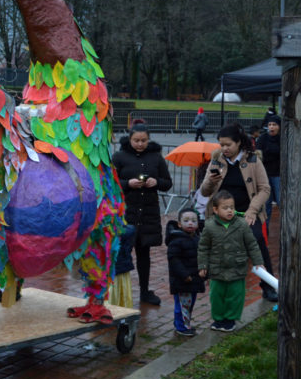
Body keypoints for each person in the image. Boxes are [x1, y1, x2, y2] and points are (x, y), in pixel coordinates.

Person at [200, 123, 278, 302]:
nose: (224, 148)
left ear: (239, 143)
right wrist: (211, 181)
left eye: (228, 144)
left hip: (246, 212)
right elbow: (204, 191)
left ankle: (268, 286)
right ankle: (217, 283)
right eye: (222, 144)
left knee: (257, 242)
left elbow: (265, 189)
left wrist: (252, 211)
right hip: (221, 214)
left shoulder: (252, 160)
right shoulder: (217, 159)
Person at [110, 123, 173, 305]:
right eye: (136, 140)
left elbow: (167, 182)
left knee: (144, 254)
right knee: (121, 252)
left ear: (148, 139)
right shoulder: (120, 156)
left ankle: (144, 291)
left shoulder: (156, 157)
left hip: (148, 212)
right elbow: (110, 181)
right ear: (129, 139)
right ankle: (117, 292)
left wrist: (156, 182)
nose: (140, 144)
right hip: (126, 211)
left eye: (143, 140)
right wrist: (127, 183)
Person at [198, 189, 264, 332]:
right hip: (217, 268)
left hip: (237, 267)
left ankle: (230, 319)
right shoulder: (209, 226)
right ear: (215, 210)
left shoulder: (241, 224)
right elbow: (203, 247)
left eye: (232, 207)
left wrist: (258, 262)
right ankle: (218, 318)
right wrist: (203, 265)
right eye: (225, 208)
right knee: (216, 295)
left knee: (235, 296)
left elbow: (252, 244)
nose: (229, 211)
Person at [166, 207, 205, 336]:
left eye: (194, 220)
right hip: (182, 280)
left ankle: (183, 324)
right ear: (179, 224)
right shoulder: (176, 240)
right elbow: (174, 260)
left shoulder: (197, 239)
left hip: (193, 279)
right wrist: (184, 275)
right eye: (186, 220)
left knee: (189, 304)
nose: (190, 223)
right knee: (183, 305)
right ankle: (181, 327)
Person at [255, 115, 281, 220]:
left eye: (274, 125)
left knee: (281, 202)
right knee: (266, 206)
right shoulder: (262, 138)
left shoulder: (282, 139)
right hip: (265, 176)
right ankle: (266, 233)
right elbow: (258, 155)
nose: (271, 127)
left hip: (278, 174)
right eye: (270, 125)